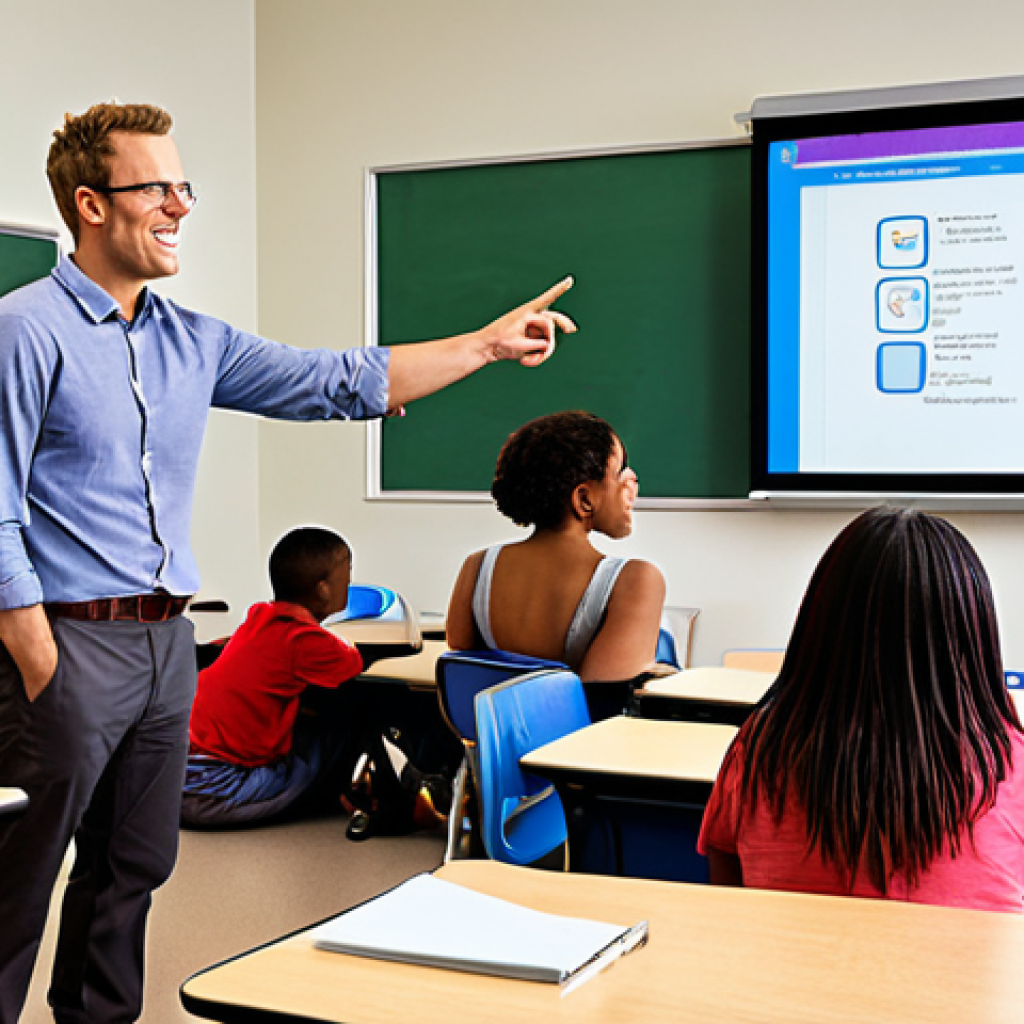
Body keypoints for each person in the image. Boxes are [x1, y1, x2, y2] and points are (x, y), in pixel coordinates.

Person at [0, 101, 575, 1024]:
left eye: (183, 186)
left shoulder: (195, 341)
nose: (181, 206)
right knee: (14, 889)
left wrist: (485, 346)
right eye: (157, 187)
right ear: (91, 204)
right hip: (67, 645)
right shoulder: (23, 331)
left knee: (129, 878)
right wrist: (35, 649)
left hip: (165, 647)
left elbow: (333, 381)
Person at [698, 507, 1024, 913]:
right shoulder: (1011, 760)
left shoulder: (759, 749)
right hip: (969, 977)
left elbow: (728, 898)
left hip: (793, 974)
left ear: (820, 623)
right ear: (973, 635)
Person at [446, 411, 666, 717]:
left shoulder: (477, 567)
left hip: (492, 754)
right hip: (570, 758)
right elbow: (604, 705)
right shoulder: (636, 579)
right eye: (620, 473)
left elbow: (466, 671)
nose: (632, 483)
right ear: (584, 499)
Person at [181, 527, 364, 828]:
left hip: (180, 781)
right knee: (347, 722)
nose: (349, 582)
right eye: (346, 575)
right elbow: (350, 662)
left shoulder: (258, 616)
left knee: (304, 718)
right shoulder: (302, 638)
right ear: (323, 589)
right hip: (219, 794)